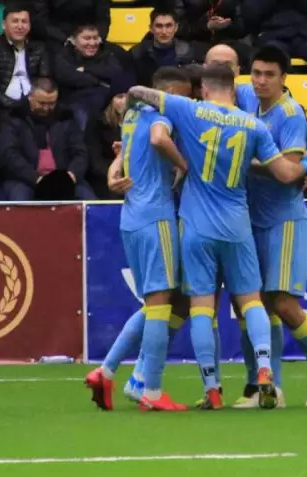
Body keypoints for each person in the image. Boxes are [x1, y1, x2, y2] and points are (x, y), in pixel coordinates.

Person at [127, 63, 307, 409]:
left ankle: (212, 388)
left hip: (196, 225)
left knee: (202, 306)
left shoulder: (190, 109)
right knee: (252, 302)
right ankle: (264, 370)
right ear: (234, 88)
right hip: (237, 224)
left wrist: (130, 110)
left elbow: (139, 92)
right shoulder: (253, 124)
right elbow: (286, 173)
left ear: (204, 88)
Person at [84, 68, 192, 412]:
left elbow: (129, 149)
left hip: (131, 217)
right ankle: (151, 389)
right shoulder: (161, 115)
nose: (185, 102)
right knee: (160, 302)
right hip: (156, 216)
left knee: (155, 302)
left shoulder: (132, 115)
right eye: (183, 95)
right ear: (169, 91)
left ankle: (114, 373)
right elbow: (159, 139)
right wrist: (183, 165)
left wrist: (113, 170)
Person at [233, 45, 307, 409]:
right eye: (256, 73)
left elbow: (288, 170)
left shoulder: (290, 115)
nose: (261, 81)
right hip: (250, 219)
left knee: (284, 303)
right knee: (255, 304)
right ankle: (269, 388)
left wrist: (240, 159)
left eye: (269, 75)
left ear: (284, 78)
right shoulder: (244, 96)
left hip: (285, 219)